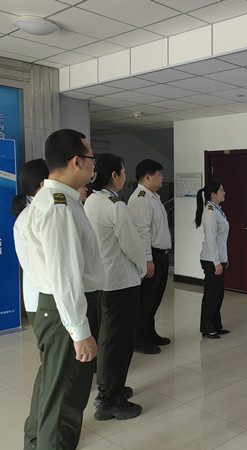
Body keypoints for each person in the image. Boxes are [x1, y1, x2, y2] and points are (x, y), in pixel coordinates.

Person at [24, 129, 104, 449]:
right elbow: (64, 274)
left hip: (58, 309)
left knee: (51, 388)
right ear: (76, 161)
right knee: (65, 401)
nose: (93, 164)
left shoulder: (60, 199)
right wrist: (79, 330)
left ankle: (35, 443)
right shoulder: (59, 206)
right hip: (65, 312)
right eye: (92, 158)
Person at [84, 153, 146, 420]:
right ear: (114, 175)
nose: (124, 176)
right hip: (121, 282)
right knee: (119, 342)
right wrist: (142, 269)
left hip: (102, 281)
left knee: (109, 339)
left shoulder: (90, 201)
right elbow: (132, 246)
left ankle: (109, 388)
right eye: (123, 171)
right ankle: (111, 399)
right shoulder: (115, 206)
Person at [12, 159, 49, 450]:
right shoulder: (35, 216)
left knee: (52, 367)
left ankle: (42, 432)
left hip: (43, 299)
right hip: (44, 300)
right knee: (50, 369)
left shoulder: (38, 212)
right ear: (42, 184)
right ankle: (35, 436)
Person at [128, 159, 171, 354]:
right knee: (145, 300)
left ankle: (150, 333)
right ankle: (139, 339)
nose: (162, 177)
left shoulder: (153, 196)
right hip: (151, 255)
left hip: (160, 254)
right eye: (159, 174)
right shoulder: (141, 199)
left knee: (154, 299)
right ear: (148, 176)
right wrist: (147, 260)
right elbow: (142, 232)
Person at [195, 180, 229, 339]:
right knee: (211, 295)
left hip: (218, 258)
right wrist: (216, 262)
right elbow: (211, 240)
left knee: (218, 294)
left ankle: (216, 325)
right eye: (221, 190)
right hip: (211, 260)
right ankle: (207, 328)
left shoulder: (217, 210)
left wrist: (224, 259)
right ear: (213, 194)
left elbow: (221, 239)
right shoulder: (210, 212)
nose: (224, 192)